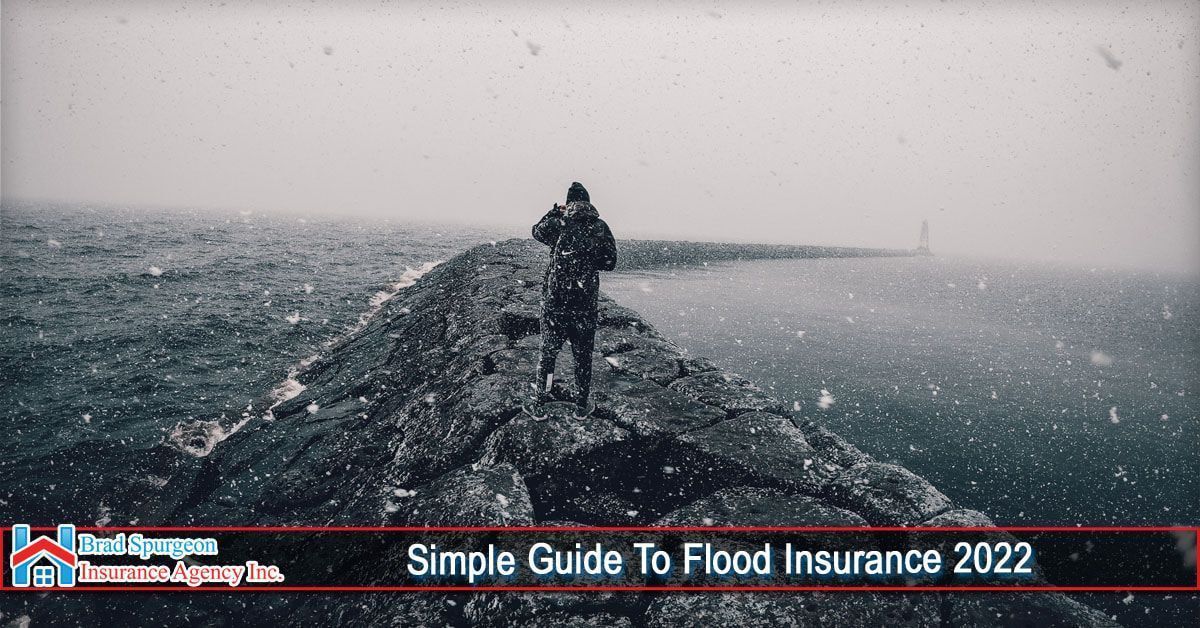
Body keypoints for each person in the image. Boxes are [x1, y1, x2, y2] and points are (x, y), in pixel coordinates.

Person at [531, 182, 617, 417]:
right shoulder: (600, 226)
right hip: (584, 306)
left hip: (555, 304)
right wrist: (588, 263)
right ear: (588, 202)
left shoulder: (558, 223)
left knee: (548, 355)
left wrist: (553, 212)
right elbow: (610, 262)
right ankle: (581, 404)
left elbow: (536, 231)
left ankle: (540, 401)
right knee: (583, 357)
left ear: (568, 203)